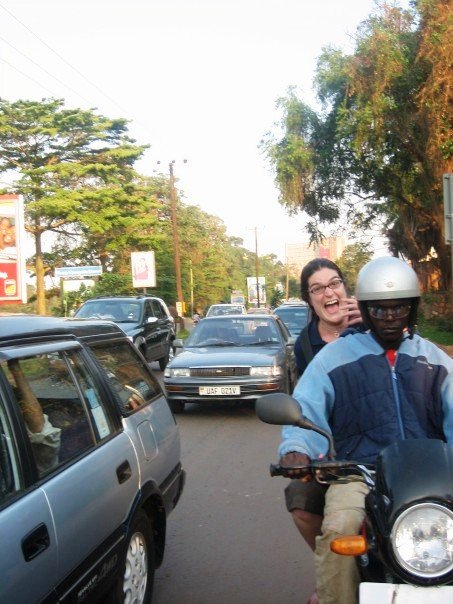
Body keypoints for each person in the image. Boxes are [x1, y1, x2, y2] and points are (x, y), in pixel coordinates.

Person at [278, 256, 453, 604]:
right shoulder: (334, 358)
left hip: (431, 472)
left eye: (398, 308)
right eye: (379, 309)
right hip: (359, 473)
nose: (389, 317)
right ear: (366, 310)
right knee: (339, 528)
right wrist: (296, 448)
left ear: (412, 310)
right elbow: (307, 409)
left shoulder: (434, 360)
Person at [285, 258, 363, 604]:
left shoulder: (371, 321)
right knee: (301, 501)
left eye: (334, 284)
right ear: (310, 299)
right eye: (318, 288)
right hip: (334, 448)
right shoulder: (305, 345)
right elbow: (310, 402)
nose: (329, 293)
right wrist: (300, 449)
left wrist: (379, 319)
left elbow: (410, 363)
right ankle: (332, 569)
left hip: (384, 438)